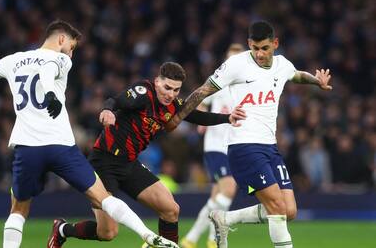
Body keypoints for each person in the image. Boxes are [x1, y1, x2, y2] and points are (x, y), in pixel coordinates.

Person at [0, 19, 179, 248]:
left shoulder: (13, 60)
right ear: (62, 39)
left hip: (27, 147)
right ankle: (147, 235)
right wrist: (51, 94)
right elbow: (46, 69)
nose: (71, 54)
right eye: (72, 47)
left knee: (18, 210)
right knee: (103, 198)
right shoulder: (60, 59)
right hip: (60, 146)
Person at [166, 21, 332, 248]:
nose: (259, 53)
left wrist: (316, 81)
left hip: (270, 147)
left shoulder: (282, 64)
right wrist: (178, 117)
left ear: (275, 44)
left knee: (289, 210)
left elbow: (296, 75)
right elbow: (203, 90)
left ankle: (225, 218)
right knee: (276, 209)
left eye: (264, 48)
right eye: (255, 48)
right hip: (244, 146)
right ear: (248, 44)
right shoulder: (236, 64)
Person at [48, 61, 247, 247]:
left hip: (129, 164)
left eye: (176, 90)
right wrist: (108, 111)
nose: (170, 94)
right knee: (107, 233)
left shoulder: (171, 105)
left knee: (171, 209)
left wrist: (227, 118)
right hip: (104, 162)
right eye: (167, 87)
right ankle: (63, 229)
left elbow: (194, 115)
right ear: (157, 81)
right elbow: (115, 101)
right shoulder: (143, 92)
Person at [180, 43, 245, 248]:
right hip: (216, 145)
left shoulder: (246, 87)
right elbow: (202, 101)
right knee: (229, 190)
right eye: (230, 58)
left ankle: (191, 239)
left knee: (217, 196)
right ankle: (213, 239)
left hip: (233, 146)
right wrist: (201, 120)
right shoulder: (219, 83)